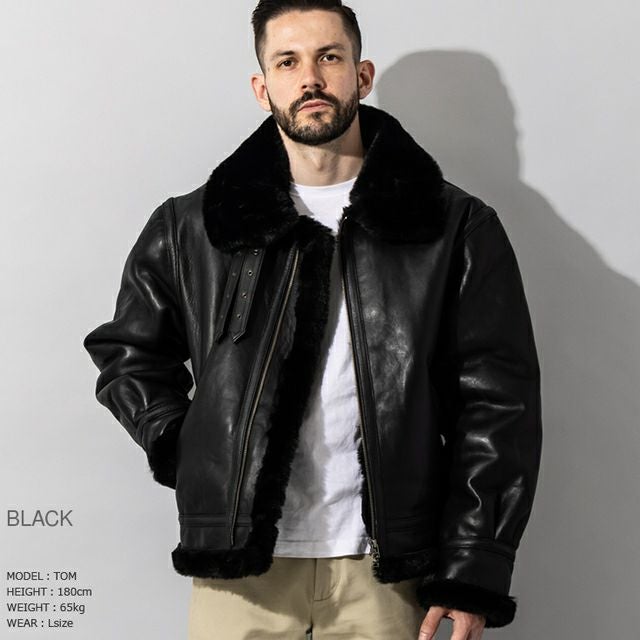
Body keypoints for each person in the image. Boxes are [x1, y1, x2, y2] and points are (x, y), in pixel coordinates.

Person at [83, 1, 542, 638]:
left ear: (362, 74)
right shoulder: (193, 227)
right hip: (242, 574)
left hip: (388, 572)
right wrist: (186, 448)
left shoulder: (454, 227)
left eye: (329, 56)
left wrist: (472, 570)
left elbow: (498, 405)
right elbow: (128, 354)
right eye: (287, 62)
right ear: (261, 86)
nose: (311, 79)